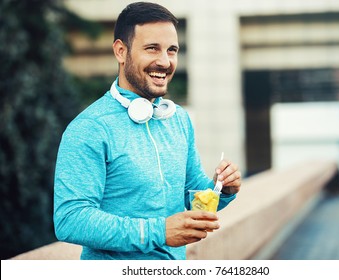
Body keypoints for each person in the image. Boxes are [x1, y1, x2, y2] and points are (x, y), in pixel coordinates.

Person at [53, 2, 241, 260]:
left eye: (172, 50)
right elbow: (70, 220)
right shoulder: (89, 128)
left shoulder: (178, 120)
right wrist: (160, 231)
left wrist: (222, 189)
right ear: (121, 51)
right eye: (152, 48)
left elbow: (193, 195)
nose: (164, 62)